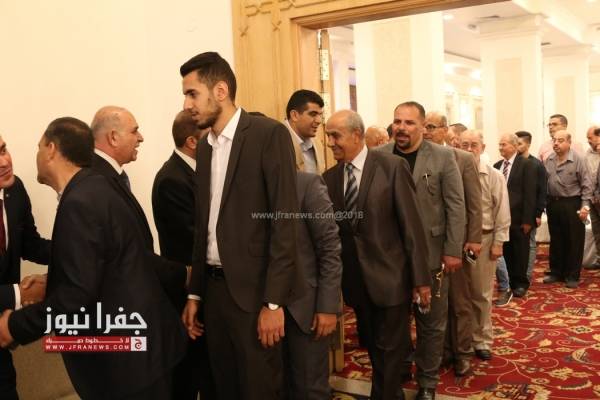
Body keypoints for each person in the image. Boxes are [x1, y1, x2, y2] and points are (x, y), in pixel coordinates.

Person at [0, 117, 187, 399]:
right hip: (139, 357)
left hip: (129, 365)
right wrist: (62, 269)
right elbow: (97, 259)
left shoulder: (79, 202)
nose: (5, 161)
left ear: (51, 150)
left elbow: (76, 294)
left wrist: (14, 326)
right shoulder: (96, 187)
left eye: (4, 149)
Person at [179, 51, 300, 400]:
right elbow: (203, 225)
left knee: (259, 389)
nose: (187, 104)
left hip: (255, 296)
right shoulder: (205, 148)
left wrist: (274, 303)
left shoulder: (267, 134)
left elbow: (285, 223)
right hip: (214, 294)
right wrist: (195, 293)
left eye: (192, 94)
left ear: (220, 91)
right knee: (222, 388)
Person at [323, 109, 430, 400]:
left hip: (392, 277)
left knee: (389, 351)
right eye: (328, 136)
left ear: (356, 135)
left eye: (335, 136)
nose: (330, 142)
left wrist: (421, 280)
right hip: (356, 283)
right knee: (374, 348)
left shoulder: (391, 167)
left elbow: (412, 227)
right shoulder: (329, 178)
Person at [380, 102, 465, 400]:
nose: (401, 128)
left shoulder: (442, 156)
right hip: (390, 258)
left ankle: (428, 381)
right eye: (397, 122)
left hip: (432, 256)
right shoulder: (380, 156)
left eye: (409, 123)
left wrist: (453, 250)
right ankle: (402, 366)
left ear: (422, 126)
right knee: (394, 321)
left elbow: (455, 205)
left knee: (431, 323)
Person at [90, 106, 188, 304]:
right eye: (134, 131)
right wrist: (184, 274)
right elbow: (125, 251)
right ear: (113, 138)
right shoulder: (98, 180)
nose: (140, 138)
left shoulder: (107, 175)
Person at [151, 110, 213, 400]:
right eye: (209, 136)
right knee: (188, 375)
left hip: (201, 288)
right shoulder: (172, 179)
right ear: (192, 141)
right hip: (188, 290)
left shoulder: (196, 171)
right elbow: (193, 240)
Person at [424, 112, 482, 376]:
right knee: (436, 301)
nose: (426, 131)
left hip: (458, 244)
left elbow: (473, 204)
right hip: (430, 245)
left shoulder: (463, 158)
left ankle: (463, 352)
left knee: (459, 301)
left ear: (445, 130)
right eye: (424, 126)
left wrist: (473, 239)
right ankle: (442, 351)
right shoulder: (419, 157)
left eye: (432, 127)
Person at [0, 134, 50, 399]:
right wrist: (20, 294)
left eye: (3, 150)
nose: (4, 162)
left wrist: (76, 251)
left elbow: (31, 245)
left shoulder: (15, 190)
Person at [284, 171, 342, 400]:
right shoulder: (248, 186)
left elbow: (329, 248)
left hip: (305, 308)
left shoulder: (306, 183)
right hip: (262, 310)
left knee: (310, 389)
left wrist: (327, 307)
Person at [459, 130, 510, 362]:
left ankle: (482, 340)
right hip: (457, 242)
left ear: (483, 147)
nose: (469, 150)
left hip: (484, 239)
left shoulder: (493, 176)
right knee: (460, 295)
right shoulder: (453, 172)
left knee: (481, 293)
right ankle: (462, 339)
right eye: (464, 145)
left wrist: (498, 243)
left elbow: (502, 212)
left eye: (474, 145)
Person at [543, 130, 593, 288]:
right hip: (553, 203)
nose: (556, 143)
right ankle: (556, 272)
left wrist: (585, 206)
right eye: (554, 140)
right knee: (556, 239)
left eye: (560, 140)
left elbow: (587, 185)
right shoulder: (549, 159)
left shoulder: (579, 159)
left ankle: (572, 275)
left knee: (574, 240)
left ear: (569, 142)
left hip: (572, 203)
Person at [494, 133, 537, 298]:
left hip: (519, 218)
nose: (500, 147)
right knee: (505, 251)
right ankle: (509, 282)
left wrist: (528, 220)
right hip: (501, 218)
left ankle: (520, 284)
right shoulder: (497, 166)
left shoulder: (526, 165)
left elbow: (530, 194)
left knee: (520, 251)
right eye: (499, 144)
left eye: (503, 144)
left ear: (513, 146)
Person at [515, 131, 547, 281]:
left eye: (519, 143)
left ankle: (526, 275)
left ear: (528, 144)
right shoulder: (513, 163)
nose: (516, 146)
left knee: (530, 243)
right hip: (515, 213)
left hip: (531, 212)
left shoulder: (537, 165)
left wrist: (538, 213)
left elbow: (542, 191)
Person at [284, 90, 326, 174]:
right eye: (313, 114)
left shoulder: (318, 144)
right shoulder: (277, 142)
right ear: (294, 115)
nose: (319, 121)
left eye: (320, 115)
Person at [584, 125, 600, 271]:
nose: (588, 141)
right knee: (597, 231)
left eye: (590, 138)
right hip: (592, 199)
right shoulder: (588, 153)